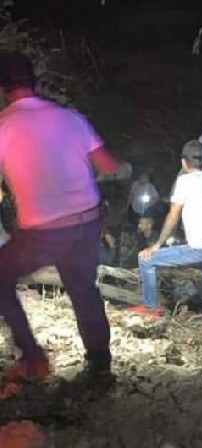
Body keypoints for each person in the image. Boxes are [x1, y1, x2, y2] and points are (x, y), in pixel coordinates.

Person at [0, 52, 118, 390]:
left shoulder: (4, 125)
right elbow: (108, 166)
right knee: (83, 290)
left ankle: (33, 357)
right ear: (34, 82)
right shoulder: (70, 117)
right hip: (86, 222)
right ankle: (99, 366)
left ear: (3, 89)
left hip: (43, 232)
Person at [131, 140, 202, 340]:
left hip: (198, 248)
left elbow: (173, 216)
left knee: (146, 260)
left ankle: (151, 308)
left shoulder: (184, 181)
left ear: (184, 161)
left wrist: (156, 245)